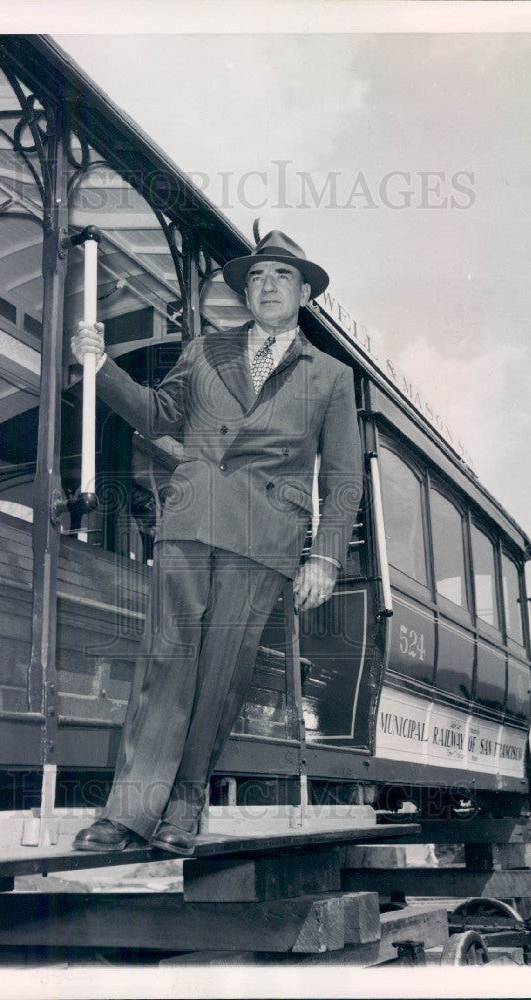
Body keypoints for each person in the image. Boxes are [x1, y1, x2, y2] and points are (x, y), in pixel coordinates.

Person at [71, 231, 363, 855]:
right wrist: (99, 367)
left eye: (282, 275)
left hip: (264, 538)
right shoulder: (204, 351)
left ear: (304, 293)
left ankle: (184, 807)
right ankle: (129, 813)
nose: (269, 286)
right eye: (258, 277)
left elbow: (342, 477)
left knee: (221, 675)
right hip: (190, 520)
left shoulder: (333, 377)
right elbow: (156, 416)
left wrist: (327, 555)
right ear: (246, 292)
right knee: (165, 661)